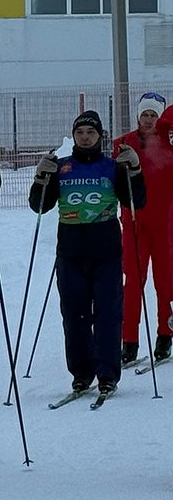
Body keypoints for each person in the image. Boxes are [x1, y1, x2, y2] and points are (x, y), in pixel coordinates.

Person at [30, 110, 145, 395]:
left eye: (90, 133)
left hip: (105, 252)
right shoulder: (62, 167)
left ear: (99, 136)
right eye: (80, 133)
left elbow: (137, 202)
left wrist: (135, 170)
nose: (84, 137)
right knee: (74, 315)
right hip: (70, 253)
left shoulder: (111, 166)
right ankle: (81, 373)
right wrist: (40, 177)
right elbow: (39, 206)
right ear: (74, 136)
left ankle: (108, 373)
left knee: (107, 314)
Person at [113, 93, 173, 364]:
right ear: (137, 116)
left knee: (166, 282)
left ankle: (165, 333)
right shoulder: (124, 144)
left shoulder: (169, 143)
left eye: (154, 115)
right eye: (145, 114)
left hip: (165, 225)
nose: (149, 120)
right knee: (134, 282)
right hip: (135, 224)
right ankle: (130, 339)